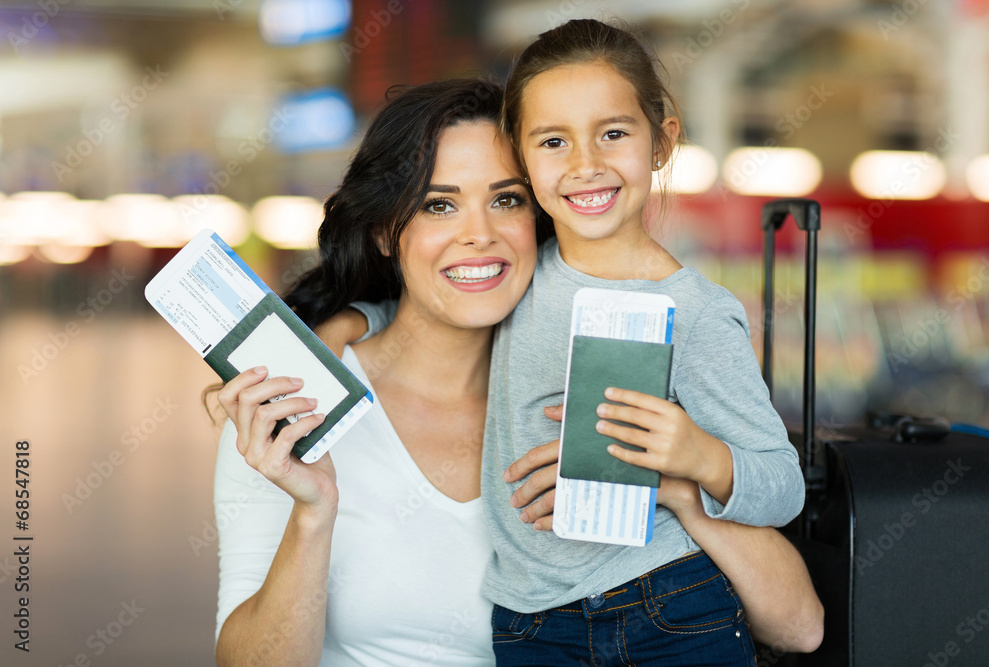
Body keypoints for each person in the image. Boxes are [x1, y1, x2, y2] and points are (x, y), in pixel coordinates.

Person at [214, 77, 822, 666]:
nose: (478, 235)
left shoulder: (614, 385)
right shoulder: (292, 406)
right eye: (438, 205)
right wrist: (314, 511)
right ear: (382, 231)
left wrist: (678, 495)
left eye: (507, 200)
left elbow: (799, 626)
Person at [357, 19, 809, 665]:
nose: (586, 165)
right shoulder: (514, 275)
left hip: (669, 603)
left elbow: (781, 485)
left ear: (662, 141)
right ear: (519, 154)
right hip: (530, 619)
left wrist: (693, 455)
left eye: (614, 133)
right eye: (552, 141)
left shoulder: (697, 312)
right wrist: (349, 323)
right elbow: (422, 308)